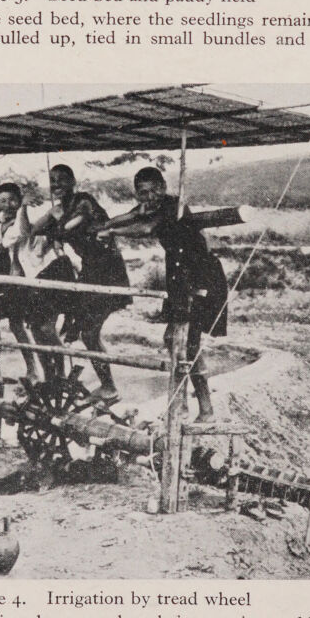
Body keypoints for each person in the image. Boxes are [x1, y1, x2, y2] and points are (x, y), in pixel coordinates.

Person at [97, 167, 229, 426]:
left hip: (199, 275)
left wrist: (113, 233)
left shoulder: (173, 207)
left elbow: (147, 228)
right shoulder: (148, 206)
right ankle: (194, 408)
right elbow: (130, 216)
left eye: (154, 191)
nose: (149, 197)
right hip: (180, 276)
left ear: (163, 188)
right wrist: (106, 224)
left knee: (181, 341)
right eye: (142, 193)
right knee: (179, 342)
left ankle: (192, 409)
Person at [32, 164, 131, 405]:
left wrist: (54, 223)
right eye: (52, 181)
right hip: (90, 271)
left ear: (73, 182)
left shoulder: (83, 202)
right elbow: (33, 230)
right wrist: (45, 215)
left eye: (62, 180)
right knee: (76, 328)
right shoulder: (60, 209)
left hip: (107, 271)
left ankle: (108, 388)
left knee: (89, 332)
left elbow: (68, 227)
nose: (56, 185)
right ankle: (78, 381)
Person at [0, 183, 73, 380]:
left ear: (20, 199)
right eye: (3, 201)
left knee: (22, 325)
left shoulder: (28, 216)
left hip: (25, 276)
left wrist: (20, 214)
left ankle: (38, 371)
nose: (8, 205)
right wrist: (4, 235)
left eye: (13, 200)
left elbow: (20, 232)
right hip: (3, 274)